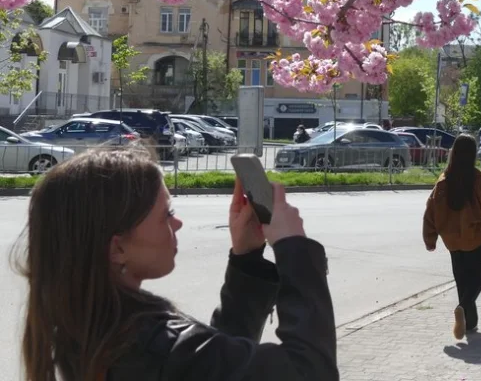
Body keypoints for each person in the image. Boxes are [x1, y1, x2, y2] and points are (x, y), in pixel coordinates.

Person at [17, 149, 337, 381]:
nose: (178, 223)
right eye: (166, 214)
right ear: (117, 248)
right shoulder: (159, 347)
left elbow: (212, 367)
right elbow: (311, 373)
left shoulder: (86, 329)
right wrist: (292, 247)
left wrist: (247, 259)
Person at [423, 134, 481, 340]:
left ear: (453, 153)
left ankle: (470, 323)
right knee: (477, 276)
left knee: (462, 280)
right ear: (473, 153)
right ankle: (462, 308)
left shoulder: (443, 181)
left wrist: (430, 239)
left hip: (451, 240)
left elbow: (430, 212)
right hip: (475, 236)